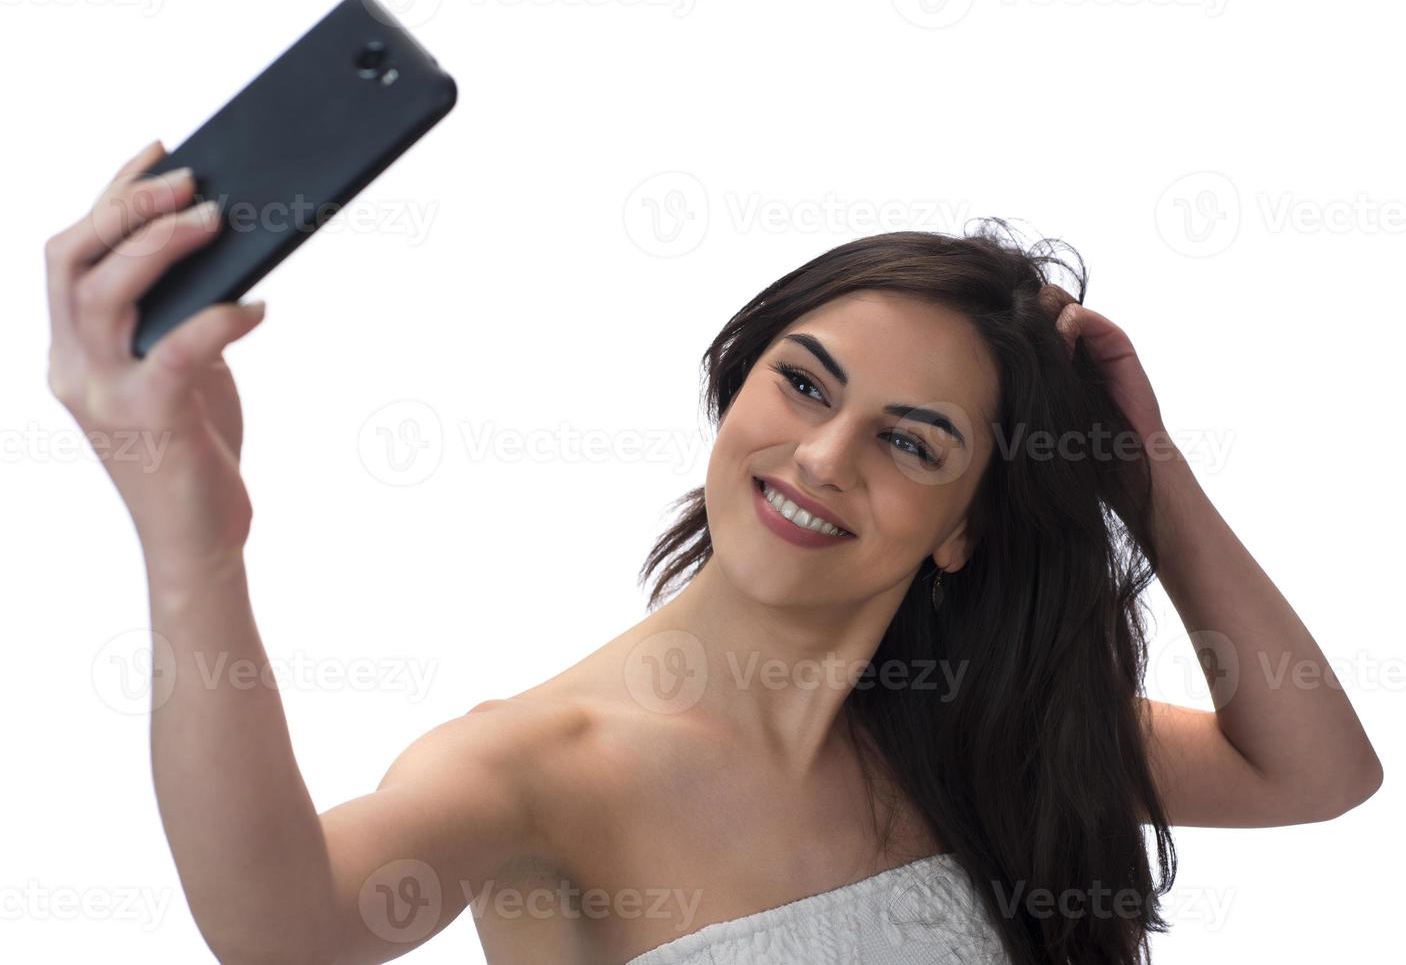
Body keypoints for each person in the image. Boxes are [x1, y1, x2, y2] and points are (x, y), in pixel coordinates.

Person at [44, 140, 1384, 965]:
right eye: (802, 383)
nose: (818, 457)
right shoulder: (537, 765)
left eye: (908, 443)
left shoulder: (989, 729)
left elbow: (1316, 770)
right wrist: (193, 549)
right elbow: (281, 934)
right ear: (737, 381)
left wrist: (1139, 475)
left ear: (969, 524)